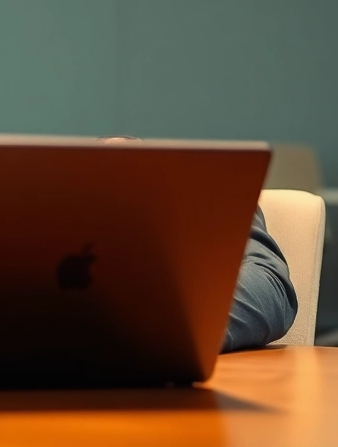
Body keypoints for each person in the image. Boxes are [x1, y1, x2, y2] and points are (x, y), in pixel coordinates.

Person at [102, 136, 296, 351]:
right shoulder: (64, 211)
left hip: (175, 370)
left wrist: (158, 326)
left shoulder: (211, 198)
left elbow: (270, 291)